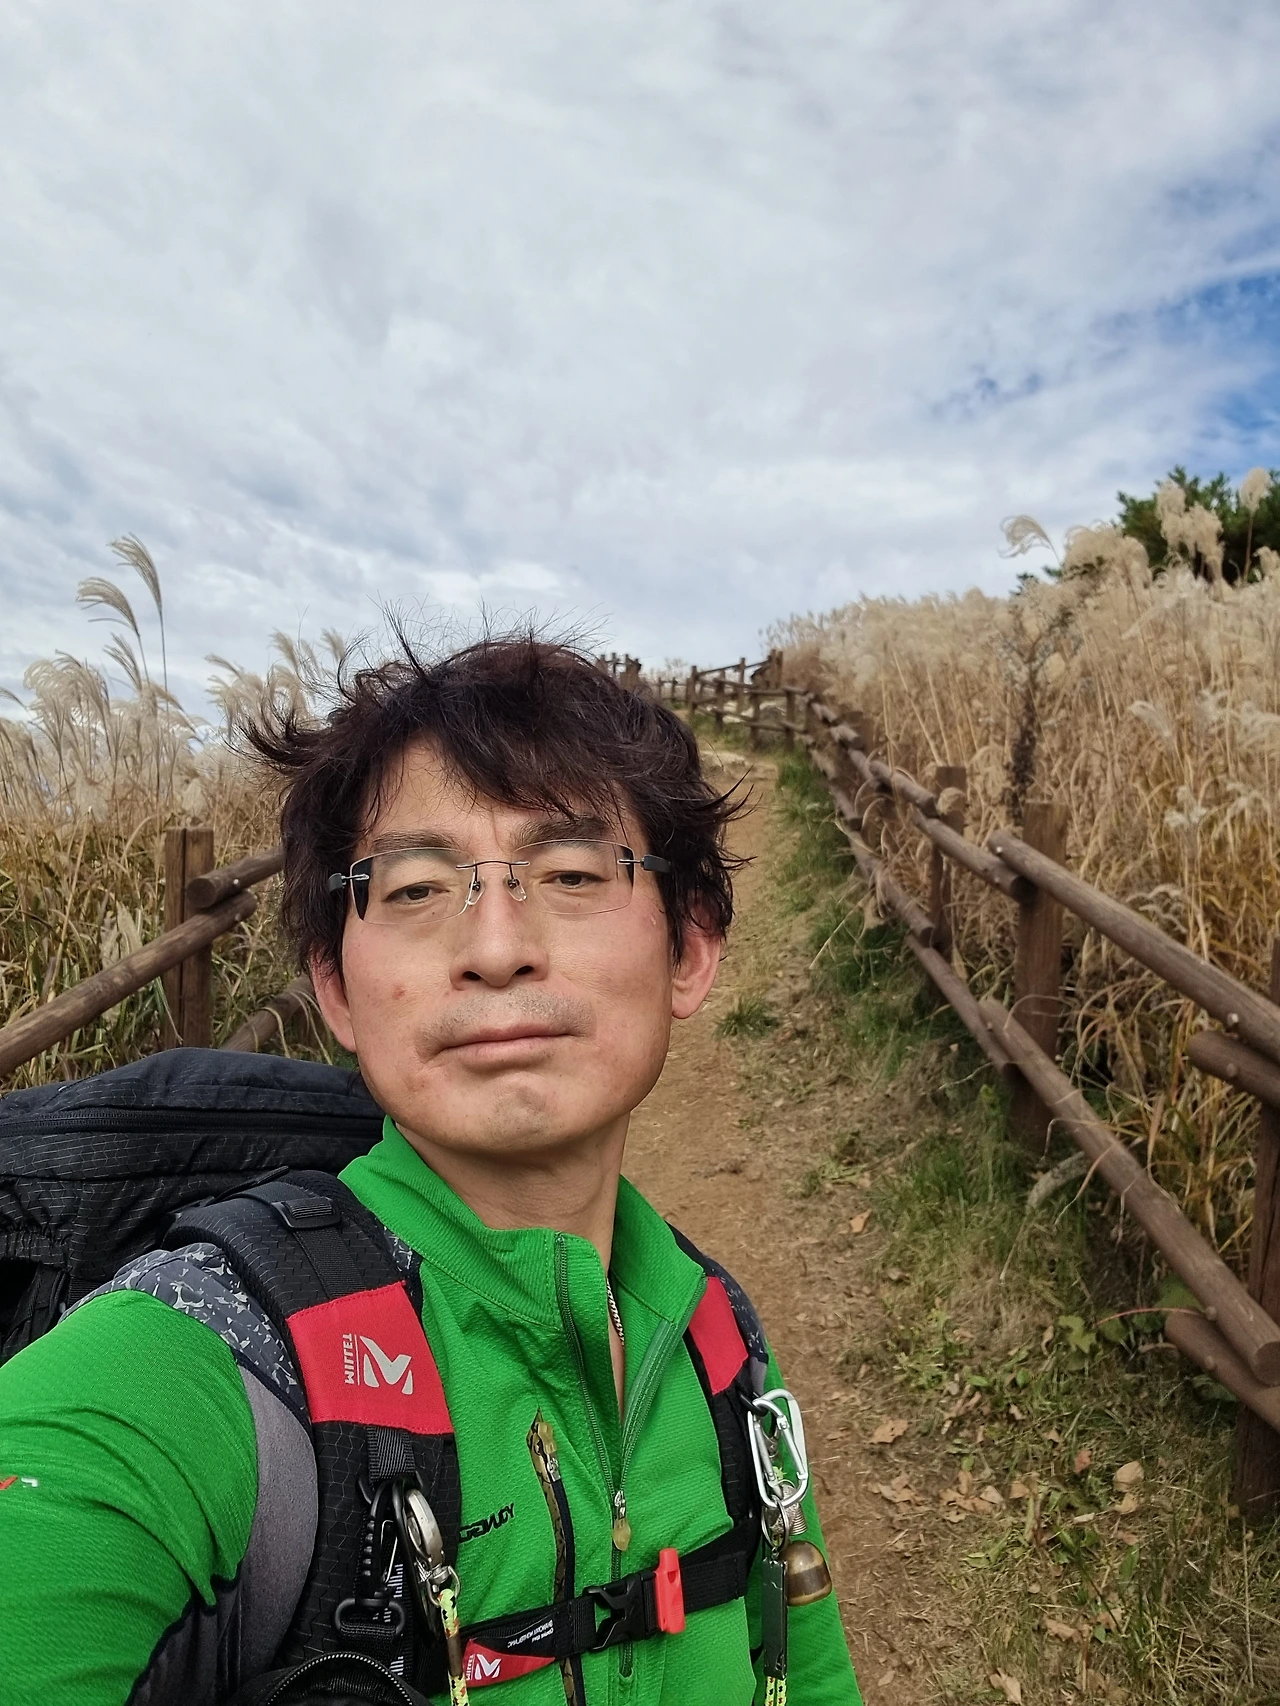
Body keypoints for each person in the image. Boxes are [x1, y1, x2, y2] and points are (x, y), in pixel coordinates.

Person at [0, 635, 860, 1704]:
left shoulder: (717, 1338)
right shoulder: (216, 1365)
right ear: (334, 984)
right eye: (413, 888)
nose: (495, 947)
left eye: (572, 873)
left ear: (688, 946)